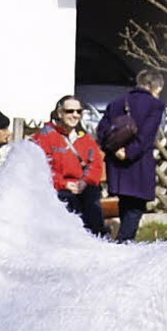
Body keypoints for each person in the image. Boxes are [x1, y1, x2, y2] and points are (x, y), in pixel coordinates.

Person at [96, 69, 165, 242]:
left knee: (125, 207)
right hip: (138, 165)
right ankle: (122, 247)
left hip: (118, 168)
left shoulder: (116, 103)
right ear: (153, 86)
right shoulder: (155, 105)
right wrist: (129, 152)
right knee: (135, 210)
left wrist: (115, 150)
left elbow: (102, 131)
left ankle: (123, 244)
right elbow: (146, 136)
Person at [33, 95, 104, 235]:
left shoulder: (85, 138)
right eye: (70, 111)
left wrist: (84, 181)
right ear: (60, 113)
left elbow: (95, 164)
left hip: (83, 186)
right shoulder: (45, 136)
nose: (75, 115)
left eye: (79, 111)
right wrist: (63, 184)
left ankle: (97, 243)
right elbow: (40, 169)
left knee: (94, 211)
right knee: (70, 205)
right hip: (58, 189)